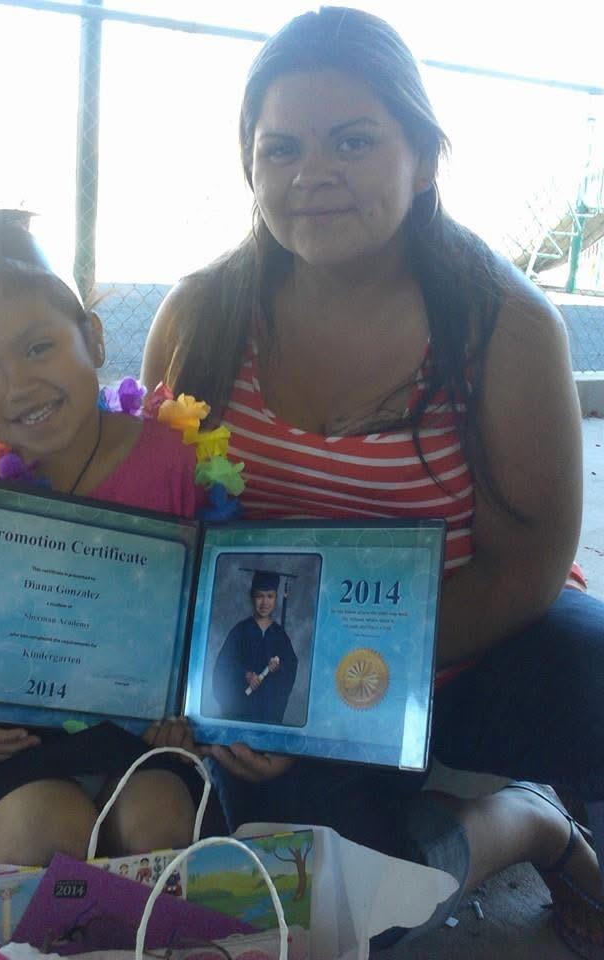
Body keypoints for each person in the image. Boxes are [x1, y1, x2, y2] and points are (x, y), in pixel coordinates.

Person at [141, 7, 604, 953]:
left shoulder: (503, 326)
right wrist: (227, 694)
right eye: (281, 149)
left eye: (355, 140)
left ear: (425, 157)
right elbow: (160, 527)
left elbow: (524, 569)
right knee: (329, 914)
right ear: (251, 168)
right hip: (275, 675)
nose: (313, 173)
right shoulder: (202, 316)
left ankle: (538, 811)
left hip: (470, 652)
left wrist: (340, 688)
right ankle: (522, 827)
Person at [0, 209, 224, 869]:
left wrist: (191, 708)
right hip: (11, 742)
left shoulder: (173, 467)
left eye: (38, 347)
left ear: (95, 340)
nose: (18, 385)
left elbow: (224, 609)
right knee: (50, 831)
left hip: (139, 734)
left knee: (159, 826)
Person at [212, 570, 297, 724]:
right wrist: (245, 675)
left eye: (270, 596)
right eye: (259, 596)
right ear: (252, 597)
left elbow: (291, 667)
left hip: (268, 714)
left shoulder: (280, 636)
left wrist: (279, 667)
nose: (265, 602)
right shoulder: (240, 631)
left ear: (276, 598)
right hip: (240, 712)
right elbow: (224, 665)